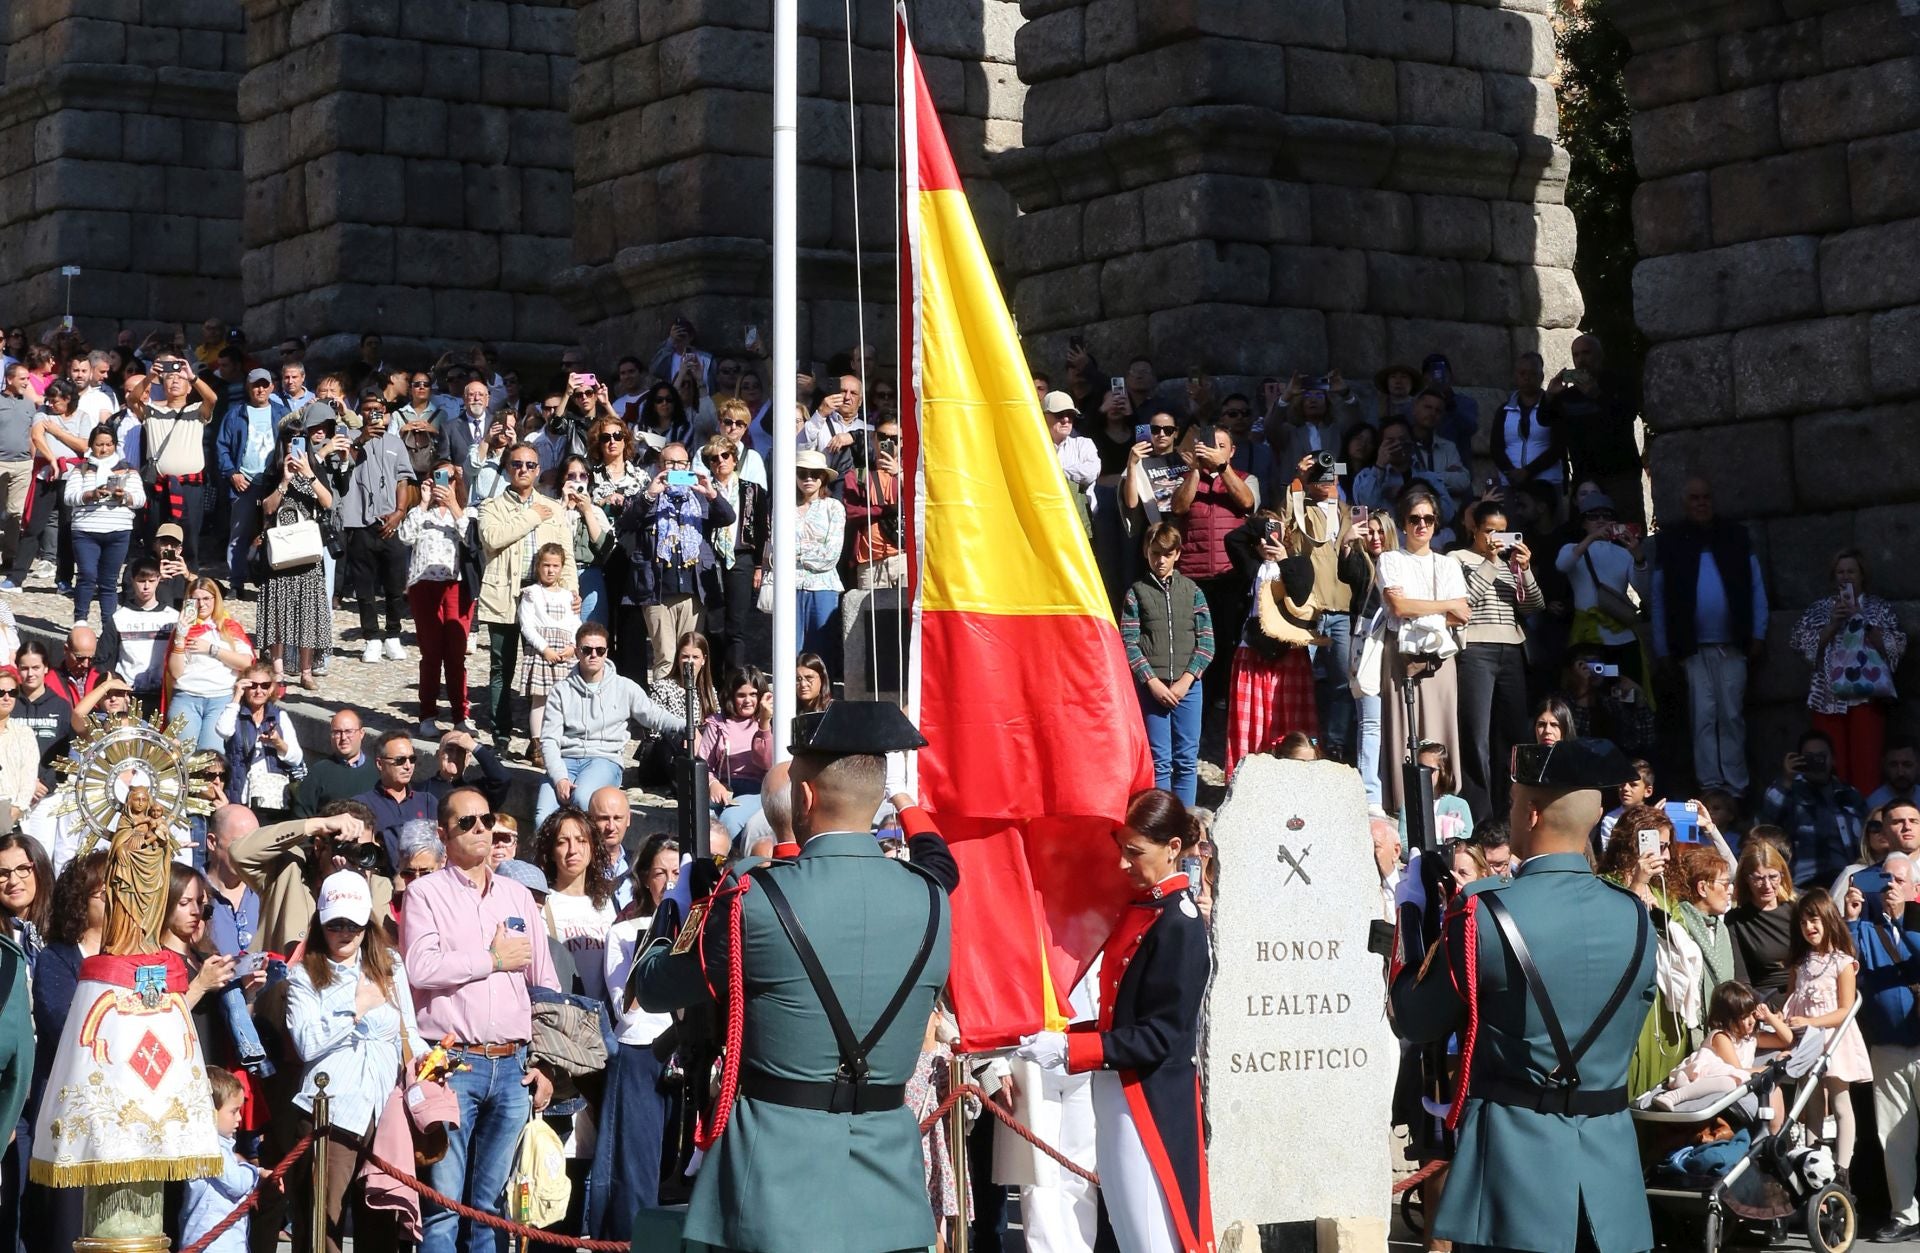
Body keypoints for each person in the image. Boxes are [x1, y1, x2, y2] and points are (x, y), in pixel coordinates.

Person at [633, 701, 958, 1253]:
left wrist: (671, 923)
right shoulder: (932, 898)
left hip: (773, 1185)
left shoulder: (753, 901)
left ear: (804, 798)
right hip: (889, 1188)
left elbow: (655, 987)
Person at [1390, 738, 1656, 1253]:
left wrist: (1410, 918)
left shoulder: (1483, 914)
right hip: (1612, 1190)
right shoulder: (1636, 916)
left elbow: (1414, 1019)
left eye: (1513, 802)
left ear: (1531, 814)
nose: (1509, 813)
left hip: (1513, 1186)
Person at [1015, 788, 1214, 1253]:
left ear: (1172, 850)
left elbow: (1160, 1035)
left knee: (1151, 1237)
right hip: (1118, 1090)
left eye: (1135, 852)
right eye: (1122, 849)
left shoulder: (1178, 923)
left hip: (1149, 1098)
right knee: (1130, 1233)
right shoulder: (1146, 909)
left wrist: (1070, 1050)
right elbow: (1120, 1016)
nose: (1124, 864)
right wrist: (1063, 1035)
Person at [402, 787, 557, 1253]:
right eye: (467, 823)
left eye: (486, 820)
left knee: (491, 1207)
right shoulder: (425, 893)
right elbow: (421, 968)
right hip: (454, 1064)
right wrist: (490, 958)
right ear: (444, 833)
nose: (480, 830)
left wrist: (546, 1062)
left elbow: (544, 983)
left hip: (512, 1065)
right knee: (445, 1206)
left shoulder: (516, 895)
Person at [284, 870, 425, 1252]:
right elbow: (306, 1044)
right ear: (321, 924)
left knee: (379, 1219)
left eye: (354, 924)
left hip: (385, 1113)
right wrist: (354, 1008)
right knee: (322, 1224)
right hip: (330, 1113)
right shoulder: (303, 975)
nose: (345, 932)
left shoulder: (390, 964)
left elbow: (408, 1031)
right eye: (335, 924)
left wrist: (432, 1061)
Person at [1650, 476, 1768, 797]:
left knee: (1731, 715)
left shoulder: (1735, 537)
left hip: (1733, 646)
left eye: (1706, 498)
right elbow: (1659, 599)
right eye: (1694, 498)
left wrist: (1758, 631)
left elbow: (1756, 588)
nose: (1701, 503)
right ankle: (1710, 785)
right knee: (1702, 717)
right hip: (1692, 650)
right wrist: (1661, 649)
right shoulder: (1671, 542)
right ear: (1684, 503)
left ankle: (1736, 786)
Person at [591, 833, 680, 1236]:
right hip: (643, 1051)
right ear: (645, 878)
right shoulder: (626, 931)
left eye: (678, 872)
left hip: (691, 1050)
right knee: (637, 1166)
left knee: (679, 1165)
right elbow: (628, 1006)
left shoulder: (705, 927)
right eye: (660, 872)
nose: (670, 881)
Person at [1378, 486, 1468, 819]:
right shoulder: (1390, 559)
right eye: (1415, 519)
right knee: (1404, 728)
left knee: (1441, 724)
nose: (1422, 525)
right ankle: (1405, 806)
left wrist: (1423, 607)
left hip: (1440, 658)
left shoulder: (1448, 564)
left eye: (1428, 519)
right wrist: (1443, 605)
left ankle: (1443, 802)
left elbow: (1463, 614)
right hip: (1402, 655)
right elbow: (1399, 607)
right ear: (1404, 523)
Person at [477, 442, 577, 741]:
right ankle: (501, 733)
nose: (524, 470)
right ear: (507, 468)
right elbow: (493, 538)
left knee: (549, 667)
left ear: (538, 469)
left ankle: (545, 737)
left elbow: (566, 555)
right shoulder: (490, 507)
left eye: (531, 465)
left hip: (545, 598)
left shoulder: (555, 508)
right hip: (504, 596)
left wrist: (571, 590)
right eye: (517, 464)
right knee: (501, 668)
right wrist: (532, 515)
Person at [1453, 498, 1542, 820]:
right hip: (1476, 648)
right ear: (1473, 530)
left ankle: (1510, 813)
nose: (1496, 539)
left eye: (1503, 533)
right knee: (1476, 736)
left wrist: (1525, 570)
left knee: (1513, 736)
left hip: (1512, 648)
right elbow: (1464, 602)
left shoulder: (1510, 564)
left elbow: (1533, 606)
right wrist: (1490, 562)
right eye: (1489, 531)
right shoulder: (1457, 558)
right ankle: (1480, 817)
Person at [537, 621, 678, 824]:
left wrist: (686, 726)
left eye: (599, 650)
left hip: (604, 760)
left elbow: (654, 715)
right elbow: (549, 740)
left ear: (606, 653)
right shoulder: (561, 690)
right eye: (587, 650)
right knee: (543, 818)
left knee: (584, 800)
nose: (593, 655)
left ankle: (590, 855)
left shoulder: (624, 687)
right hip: (566, 760)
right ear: (577, 652)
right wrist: (559, 778)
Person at [1791, 549, 1906, 791]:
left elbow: (1896, 645)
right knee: (1830, 766)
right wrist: (1833, 623)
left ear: (1862, 575)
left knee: (1867, 764)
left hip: (1867, 695)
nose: (1845, 577)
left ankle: (1866, 823)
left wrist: (1861, 619)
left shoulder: (1878, 608)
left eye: (1851, 571)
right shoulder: (1819, 609)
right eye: (1840, 572)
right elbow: (1800, 644)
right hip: (1828, 698)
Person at [1120, 523, 1213, 805]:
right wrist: (1152, 682)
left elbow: (1206, 642)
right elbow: (1129, 642)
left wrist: (1187, 680)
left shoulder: (1193, 590)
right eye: (1154, 553)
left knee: (1186, 759)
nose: (1160, 560)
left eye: (1166, 554)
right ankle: (1163, 825)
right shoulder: (1136, 592)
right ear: (1146, 553)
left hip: (1188, 688)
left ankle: (1184, 825)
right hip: (1153, 689)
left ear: (1177, 554)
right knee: (1159, 760)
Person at [1783, 888, 1870, 1187]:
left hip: (1834, 1039)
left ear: (1829, 919)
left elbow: (1845, 1010)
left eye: (1815, 919)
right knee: (1812, 1104)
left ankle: (1842, 1168)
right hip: (1806, 1041)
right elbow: (1791, 1000)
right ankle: (1813, 1159)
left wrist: (1812, 1021)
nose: (1809, 927)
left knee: (1841, 1101)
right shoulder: (1800, 963)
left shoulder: (1842, 962)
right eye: (1804, 923)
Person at [252, 419, 334, 689]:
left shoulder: (314, 469)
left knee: (307, 611)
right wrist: (285, 481)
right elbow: (266, 508)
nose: (294, 444)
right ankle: (277, 670)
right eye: (290, 439)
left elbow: (327, 502)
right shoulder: (272, 472)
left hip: (307, 551)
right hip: (279, 551)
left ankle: (306, 671)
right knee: (277, 612)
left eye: (300, 439)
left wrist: (309, 473)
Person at [398, 457, 476, 735]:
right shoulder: (423, 514)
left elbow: (472, 541)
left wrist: (454, 505)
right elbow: (405, 536)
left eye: (450, 478)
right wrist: (423, 501)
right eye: (438, 478)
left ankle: (460, 716)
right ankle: (427, 715)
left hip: (456, 587)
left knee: (456, 654)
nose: (445, 484)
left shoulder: (467, 512)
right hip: (423, 586)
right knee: (431, 653)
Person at [1761, 729, 1869, 890]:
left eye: (1821, 756)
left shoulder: (1850, 794)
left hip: (1846, 880)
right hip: (1804, 883)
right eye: (1809, 758)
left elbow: (1870, 838)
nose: (1816, 762)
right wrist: (1787, 779)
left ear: (1833, 760)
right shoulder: (1789, 791)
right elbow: (1764, 823)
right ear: (1799, 760)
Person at [1340, 509, 1398, 805]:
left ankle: (1395, 790)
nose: (1375, 537)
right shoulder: (1364, 565)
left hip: (1398, 650)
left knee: (1396, 722)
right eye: (1370, 532)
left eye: (1380, 531)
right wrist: (1348, 542)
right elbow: (1347, 574)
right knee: (1370, 722)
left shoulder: (1402, 565)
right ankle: (1370, 795)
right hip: (1369, 649)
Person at [61, 423, 144, 627]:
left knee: (108, 581)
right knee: (87, 575)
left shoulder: (128, 469)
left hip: (118, 530)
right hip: (86, 531)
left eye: (109, 444)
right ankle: (80, 621)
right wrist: (91, 494)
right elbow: (69, 497)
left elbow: (141, 499)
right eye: (99, 444)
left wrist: (124, 496)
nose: (104, 449)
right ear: (91, 445)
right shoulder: (81, 469)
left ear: (115, 445)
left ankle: (108, 626)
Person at [701, 430, 768, 676]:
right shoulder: (702, 490)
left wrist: (760, 565)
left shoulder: (753, 490)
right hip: (711, 558)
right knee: (714, 623)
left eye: (725, 455)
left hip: (742, 557)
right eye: (714, 458)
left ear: (734, 458)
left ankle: (735, 680)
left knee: (736, 625)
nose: (720, 461)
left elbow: (763, 528)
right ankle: (716, 680)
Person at [166, 578, 256, 751]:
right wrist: (179, 638)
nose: (201, 604)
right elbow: (175, 673)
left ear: (216, 600)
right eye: (196, 599)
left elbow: (246, 663)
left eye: (207, 598)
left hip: (220, 698)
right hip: (186, 697)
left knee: (212, 757)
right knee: (182, 757)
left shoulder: (229, 627)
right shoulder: (182, 629)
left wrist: (212, 650)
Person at [179, 1067, 258, 1253]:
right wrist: (253, 1171)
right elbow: (237, 1183)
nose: (239, 1118)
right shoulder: (209, 1147)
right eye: (234, 1111)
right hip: (213, 1245)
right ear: (209, 1112)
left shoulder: (217, 1146)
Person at [214, 664, 306, 821]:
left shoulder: (280, 717)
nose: (259, 691)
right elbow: (222, 730)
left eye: (265, 685)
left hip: (271, 798)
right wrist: (236, 697)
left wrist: (278, 743)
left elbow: (296, 758)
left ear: (271, 689)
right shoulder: (234, 715)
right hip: (239, 795)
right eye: (252, 686)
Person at [517, 543, 582, 761]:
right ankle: (537, 744)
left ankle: (559, 742)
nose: (550, 570)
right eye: (546, 565)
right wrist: (544, 649)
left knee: (563, 701)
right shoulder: (531, 594)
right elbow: (527, 626)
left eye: (555, 566)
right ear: (538, 566)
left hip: (564, 652)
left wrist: (573, 646)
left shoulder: (567, 596)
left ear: (562, 567)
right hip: (542, 651)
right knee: (540, 700)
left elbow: (574, 623)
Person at [791, 448, 846, 660]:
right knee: (790, 649)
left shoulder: (834, 507)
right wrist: (812, 550)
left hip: (824, 586)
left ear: (823, 477)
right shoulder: (784, 507)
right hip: (790, 585)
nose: (808, 478)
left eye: (815, 474)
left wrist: (796, 554)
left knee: (821, 652)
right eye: (802, 473)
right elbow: (778, 548)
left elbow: (831, 554)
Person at [354, 729, 436, 870]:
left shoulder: (427, 801)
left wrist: (386, 839)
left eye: (412, 759)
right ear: (380, 764)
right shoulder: (361, 805)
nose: (408, 766)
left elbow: (440, 844)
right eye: (400, 760)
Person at [1728, 840, 1797, 1005]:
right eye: (1758, 878)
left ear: (1783, 875)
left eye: (1773, 876)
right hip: (1766, 1002)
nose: (1767, 885)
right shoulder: (1736, 920)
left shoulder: (1798, 908)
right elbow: (1742, 980)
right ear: (1746, 879)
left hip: (1807, 995)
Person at [294, 710, 376, 818]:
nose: (343, 738)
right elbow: (301, 816)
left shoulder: (378, 772)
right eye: (337, 732)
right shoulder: (319, 772)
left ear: (361, 734)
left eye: (349, 731)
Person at [0, 670, 38, 829]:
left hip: (9, 812)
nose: (7, 697)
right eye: (0, 692)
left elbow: (29, 776)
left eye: (12, 692)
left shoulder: (24, 733)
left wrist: (16, 810)